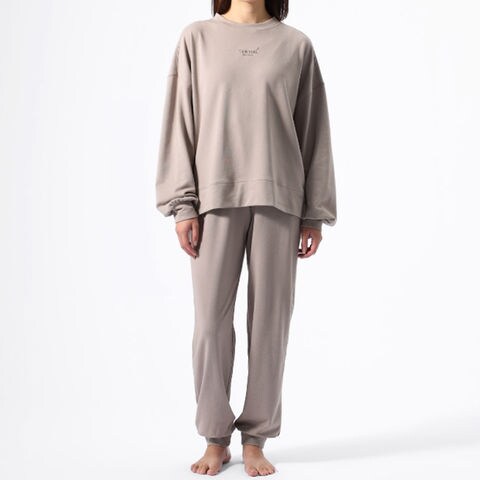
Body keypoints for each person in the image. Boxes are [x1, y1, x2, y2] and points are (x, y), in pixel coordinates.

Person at [155, 0, 337, 476]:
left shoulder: (296, 46)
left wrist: (314, 213)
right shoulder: (197, 39)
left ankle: (256, 438)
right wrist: (182, 203)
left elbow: (313, 132)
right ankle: (215, 437)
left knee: (270, 324)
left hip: (281, 198)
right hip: (214, 199)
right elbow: (179, 122)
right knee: (210, 325)